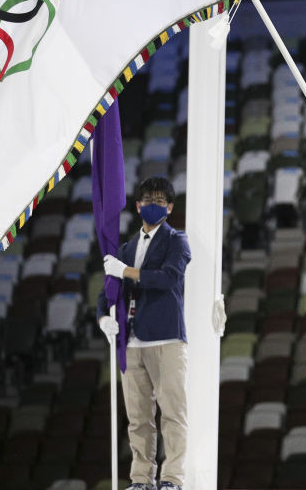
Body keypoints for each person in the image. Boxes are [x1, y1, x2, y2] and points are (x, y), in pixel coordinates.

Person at [96, 176, 191, 490]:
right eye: (149, 200)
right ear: (138, 206)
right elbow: (106, 293)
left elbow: (168, 277)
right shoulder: (126, 247)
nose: (154, 205)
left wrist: (125, 271)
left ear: (170, 207)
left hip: (166, 338)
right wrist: (102, 319)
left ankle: (172, 478)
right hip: (132, 341)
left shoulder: (177, 240)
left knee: (172, 413)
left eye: (161, 201)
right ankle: (141, 479)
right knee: (138, 418)